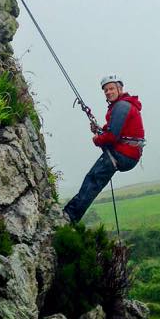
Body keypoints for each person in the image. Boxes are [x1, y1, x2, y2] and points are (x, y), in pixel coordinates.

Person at [63, 74, 145, 224]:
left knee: (93, 180)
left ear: (120, 89)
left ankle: (69, 216)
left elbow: (112, 136)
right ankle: (70, 214)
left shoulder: (122, 106)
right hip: (128, 153)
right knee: (93, 179)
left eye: (111, 89)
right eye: (105, 90)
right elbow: (112, 130)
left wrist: (97, 139)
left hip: (124, 154)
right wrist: (100, 130)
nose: (108, 92)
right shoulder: (122, 106)